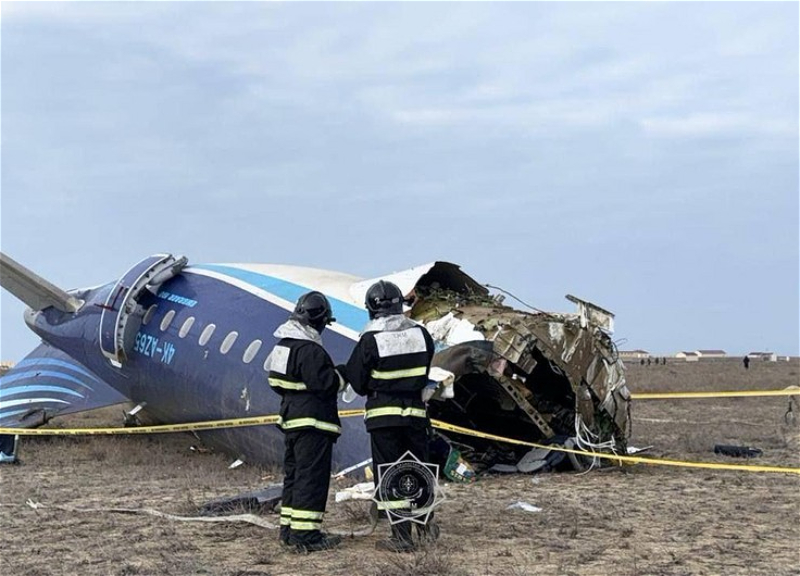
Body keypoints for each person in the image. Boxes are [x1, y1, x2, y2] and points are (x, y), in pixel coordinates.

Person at [342, 280, 437, 552]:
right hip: (416, 416)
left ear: (372, 309)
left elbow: (357, 382)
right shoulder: (421, 334)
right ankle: (426, 524)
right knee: (419, 470)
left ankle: (402, 537)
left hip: (385, 419)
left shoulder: (370, 339)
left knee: (391, 474)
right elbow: (425, 371)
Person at [266, 291, 343, 553]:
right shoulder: (311, 350)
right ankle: (306, 536)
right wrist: (341, 375)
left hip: (291, 421)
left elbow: (275, 382)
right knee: (312, 478)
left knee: (295, 476)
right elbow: (326, 385)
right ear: (320, 321)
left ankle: (288, 531)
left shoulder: (282, 346)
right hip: (313, 424)